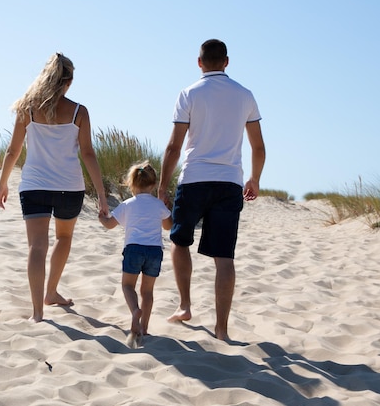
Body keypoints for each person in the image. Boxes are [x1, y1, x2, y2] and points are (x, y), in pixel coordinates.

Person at [158, 39, 266, 341]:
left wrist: (162, 186)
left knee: (180, 242)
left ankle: (185, 305)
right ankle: (221, 328)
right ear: (227, 62)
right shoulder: (245, 95)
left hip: (194, 178)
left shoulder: (189, 93)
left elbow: (173, 146)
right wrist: (254, 179)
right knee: (224, 257)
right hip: (229, 181)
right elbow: (258, 146)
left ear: (199, 62)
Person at [0, 52, 109, 323]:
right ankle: (51, 291)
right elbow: (88, 154)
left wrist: (3, 183)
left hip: (34, 186)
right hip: (69, 186)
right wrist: (102, 196)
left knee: (37, 246)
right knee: (64, 238)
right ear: (68, 82)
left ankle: (38, 312)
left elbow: (13, 150)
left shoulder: (27, 108)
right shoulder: (79, 112)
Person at [99, 161, 172, 346]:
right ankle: (144, 328)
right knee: (147, 291)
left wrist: (102, 217)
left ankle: (134, 312)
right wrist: (166, 207)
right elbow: (168, 226)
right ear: (153, 185)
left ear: (131, 184)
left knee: (127, 286)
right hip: (154, 251)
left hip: (134, 249)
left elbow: (109, 225)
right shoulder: (158, 204)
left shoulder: (127, 204)